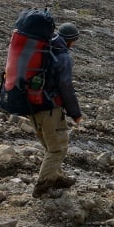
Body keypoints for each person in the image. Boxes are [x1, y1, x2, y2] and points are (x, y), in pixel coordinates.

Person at [31, 22, 85, 198]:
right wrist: (75, 113)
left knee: (49, 144)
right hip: (49, 108)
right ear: (70, 40)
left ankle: (57, 177)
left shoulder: (42, 49)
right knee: (57, 148)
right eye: (74, 41)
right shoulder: (63, 57)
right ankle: (43, 186)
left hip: (32, 105)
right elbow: (66, 87)